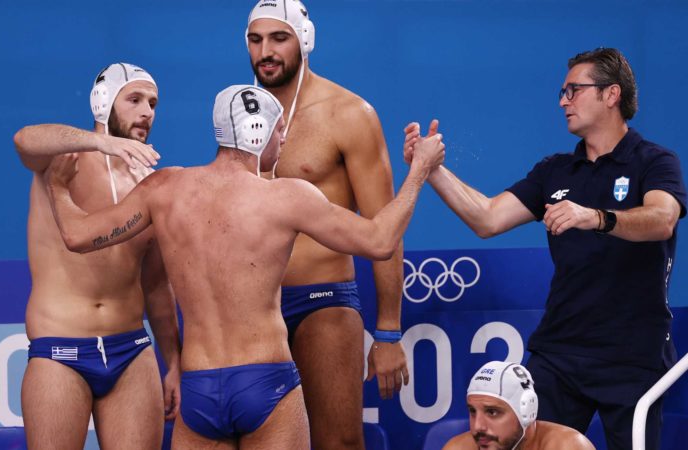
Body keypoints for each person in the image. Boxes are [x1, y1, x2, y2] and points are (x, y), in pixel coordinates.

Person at [43, 85, 445, 449]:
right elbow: (379, 240)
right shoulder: (287, 197)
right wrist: (419, 171)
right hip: (266, 382)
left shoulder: (164, 189)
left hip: (199, 388)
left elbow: (78, 236)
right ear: (258, 132)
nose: (283, 139)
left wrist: (59, 189)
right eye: (279, 130)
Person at [404, 48, 687, 450]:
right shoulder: (555, 170)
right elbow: (486, 218)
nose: (562, 101)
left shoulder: (655, 161)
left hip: (634, 355)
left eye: (574, 90)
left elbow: (662, 220)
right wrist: (431, 170)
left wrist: (596, 217)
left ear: (611, 94)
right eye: (562, 92)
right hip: (559, 352)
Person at [244, 2, 408, 446]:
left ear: (305, 40)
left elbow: (384, 227)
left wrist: (388, 331)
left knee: (338, 442)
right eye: (256, 40)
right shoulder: (239, 117)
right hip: (254, 306)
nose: (265, 52)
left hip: (324, 299)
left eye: (279, 38)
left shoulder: (348, 114)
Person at [14, 62, 181, 450]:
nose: (147, 112)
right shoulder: (61, 162)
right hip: (61, 350)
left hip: (131, 351)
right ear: (103, 102)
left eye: (153, 103)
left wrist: (174, 362)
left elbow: (157, 285)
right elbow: (24, 139)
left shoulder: (149, 183)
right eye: (134, 100)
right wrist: (99, 142)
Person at [443, 361, 595, 450]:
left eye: (492, 412)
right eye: (472, 411)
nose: (478, 427)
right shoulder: (458, 448)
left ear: (526, 412)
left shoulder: (567, 446)